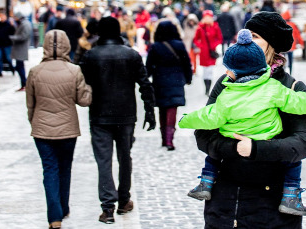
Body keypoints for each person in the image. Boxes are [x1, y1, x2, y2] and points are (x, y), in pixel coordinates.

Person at [181, 29, 306, 216]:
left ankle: (206, 180)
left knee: (213, 159)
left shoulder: (232, 93)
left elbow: (207, 116)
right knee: (292, 165)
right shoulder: (270, 88)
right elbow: (299, 103)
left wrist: (185, 120)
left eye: (257, 36)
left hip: (269, 204)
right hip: (229, 199)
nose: (251, 40)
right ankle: (291, 195)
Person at [79, 17, 156, 224]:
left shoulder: (90, 55)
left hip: (99, 115)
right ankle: (124, 199)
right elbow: (145, 84)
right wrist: (150, 111)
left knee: (103, 161)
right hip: (125, 114)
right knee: (125, 157)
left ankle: (107, 208)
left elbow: (80, 84)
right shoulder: (131, 55)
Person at [26, 30, 92, 229]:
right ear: (67, 45)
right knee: (65, 168)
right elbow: (84, 100)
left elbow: (30, 104)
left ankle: (54, 218)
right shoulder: (74, 71)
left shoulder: (35, 72)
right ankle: (63, 207)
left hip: (41, 130)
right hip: (67, 130)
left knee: (50, 170)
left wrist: (35, 123)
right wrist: (88, 86)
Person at [146, 21, 192, 151]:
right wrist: (188, 78)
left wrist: (145, 80)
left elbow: (148, 66)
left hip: (160, 81)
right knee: (172, 109)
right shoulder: (179, 45)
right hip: (176, 82)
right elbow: (186, 63)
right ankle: (169, 140)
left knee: (162, 109)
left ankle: (163, 139)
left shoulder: (155, 46)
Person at [193, 10, 223, 95]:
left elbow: (219, 38)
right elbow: (195, 39)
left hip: (211, 52)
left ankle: (208, 89)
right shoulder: (200, 27)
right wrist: (200, 45)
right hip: (203, 53)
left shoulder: (215, 26)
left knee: (209, 71)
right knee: (204, 71)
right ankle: (206, 87)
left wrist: (214, 44)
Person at [9, 12, 31, 92]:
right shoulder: (23, 23)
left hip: (21, 49)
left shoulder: (25, 24)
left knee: (20, 67)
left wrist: (13, 38)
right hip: (19, 49)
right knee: (19, 66)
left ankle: (24, 84)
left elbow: (23, 36)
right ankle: (23, 84)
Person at [0, 12, 16, 77]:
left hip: (7, 44)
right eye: (1, 16)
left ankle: (12, 69)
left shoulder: (9, 25)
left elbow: (13, 32)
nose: (2, 18)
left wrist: (12, 25)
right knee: (0, 58)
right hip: (0, 44)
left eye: (3, 16)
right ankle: (0, 72)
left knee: (8, 58)